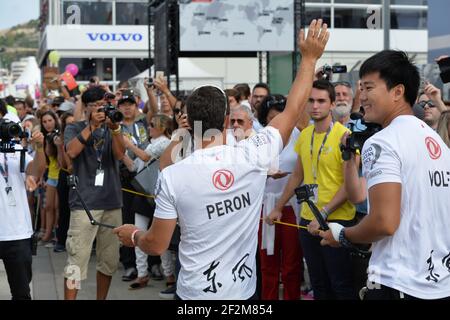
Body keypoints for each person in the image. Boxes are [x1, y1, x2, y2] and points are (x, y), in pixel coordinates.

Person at [114, 19, 329, 300]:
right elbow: (291, 111)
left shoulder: (173, 176)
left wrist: (133, 236)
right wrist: (310, 58)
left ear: (190, 122)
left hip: (195, 294)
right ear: (227, 120)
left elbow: (156, 244)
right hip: (243, 293)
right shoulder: (253, 154)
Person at [319, 50, 450, 300]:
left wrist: (343, 235)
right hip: (439, 285)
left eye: (368, 88)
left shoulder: (383, 142)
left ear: (398, 92)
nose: (362, 97)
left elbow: (383, 222)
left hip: (397, 283)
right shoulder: (436, 140)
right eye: (361, 88)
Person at [267, 80, 356, 300]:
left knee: (340, 285)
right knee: (318, 284)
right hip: (307, 220)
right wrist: (278, 207)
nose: (315, 106)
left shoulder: (345, 136)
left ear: (332, 104)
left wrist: (324, 213)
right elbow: (298, 175)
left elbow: (349, 185)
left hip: (337, 221)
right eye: (311, 100)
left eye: (321, 101)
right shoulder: (305, 135)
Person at [63, 86, 125, 300]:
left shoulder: (114, 128)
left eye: (104, 106)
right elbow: (71, 152)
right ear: (87, 108)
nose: (101, 110)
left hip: (111, 202)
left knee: (108, 261)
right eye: (96, 106)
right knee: (76, 261)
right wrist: (91, 125)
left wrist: (115, 128)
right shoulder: (74, 127)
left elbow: (119, 155)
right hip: (84, 203)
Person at [257, 94, 302, 300]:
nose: (277, 122)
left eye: (282, 116)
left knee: (292, 264)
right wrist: (266, 172)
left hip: (292, 206)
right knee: (268, 263)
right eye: (272, 117)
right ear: (265, 118)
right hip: (266, 206)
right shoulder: (257, 139)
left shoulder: (299, 135)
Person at [121, 114, 173, 290]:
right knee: (138, 233)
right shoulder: (152, 143)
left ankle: (169, 274)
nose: (148, 127)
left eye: (152, 125)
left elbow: (144, 157)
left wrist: (129, 145)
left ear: (163, 127)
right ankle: (142, 274)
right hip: (143, 193)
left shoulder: (166, 142)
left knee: (162, 237)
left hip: (158, 196)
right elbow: (135, 166)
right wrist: (121, 154)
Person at [0, 110, 46, 300]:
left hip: (17, 232)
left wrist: (40, 148)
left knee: (21, 293)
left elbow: (36, 170)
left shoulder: (18, 151)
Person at [39, 110, 61, 243]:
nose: (48, 124)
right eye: (44, 122)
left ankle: (57, 235)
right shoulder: (43, 137)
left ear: (55, 121)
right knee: (48, 206)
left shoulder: (59, 136)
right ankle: (48, 234)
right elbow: (44, 161)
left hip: (60, 175)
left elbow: (60, 161)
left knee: (58, 207)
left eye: (50, 121)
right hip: (51, 175)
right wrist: (42, 177)